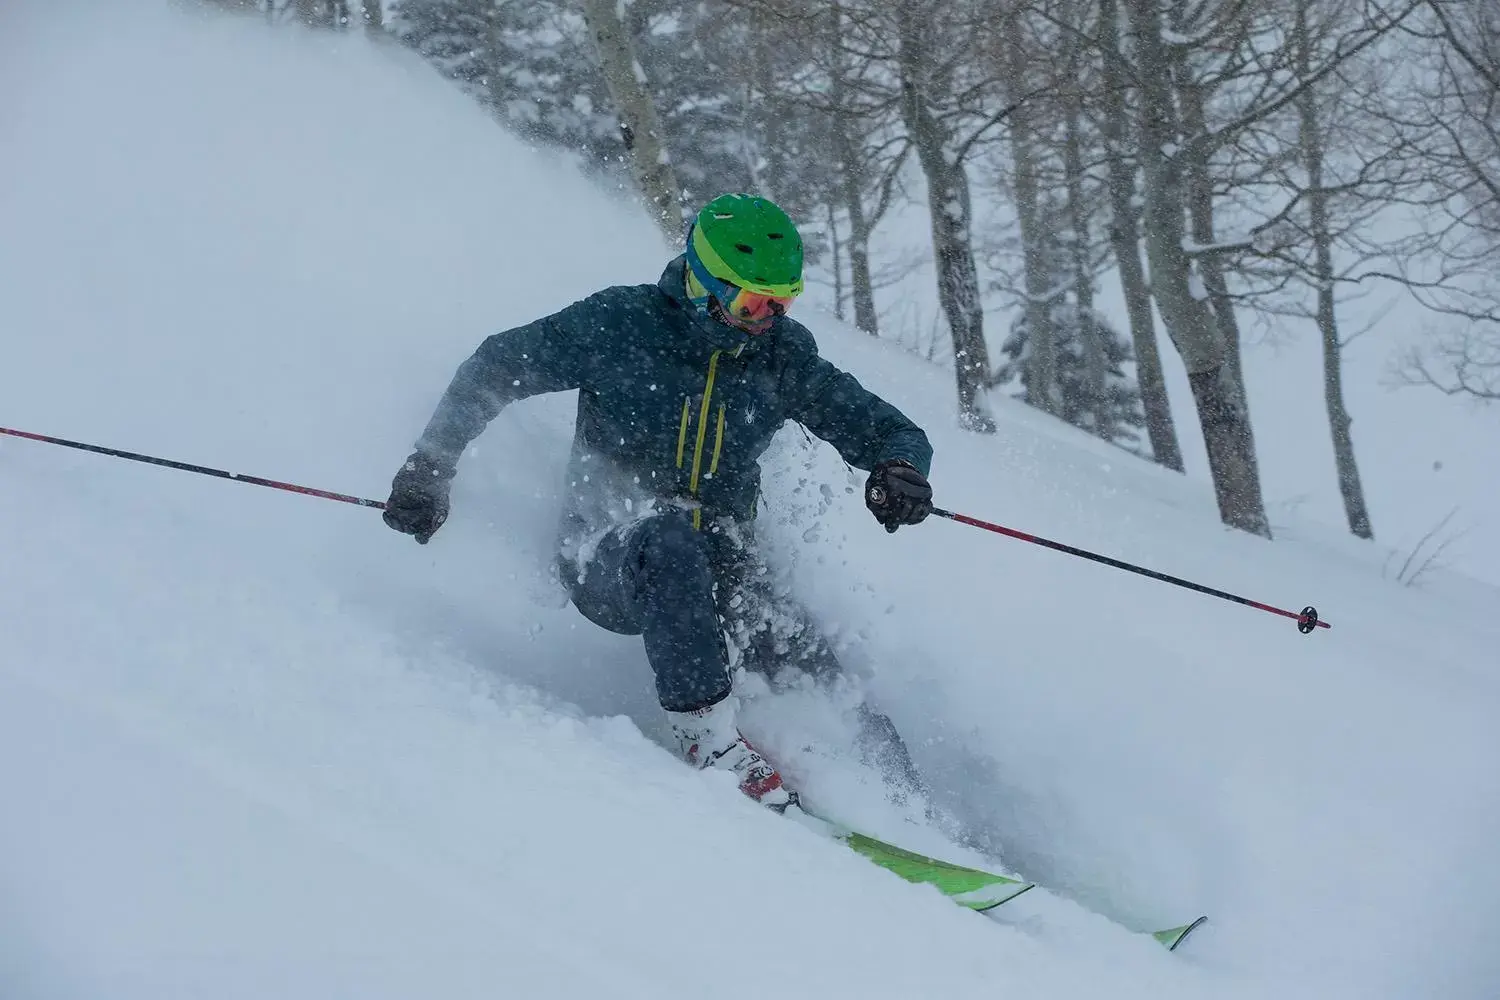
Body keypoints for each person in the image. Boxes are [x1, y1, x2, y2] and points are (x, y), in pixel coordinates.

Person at [383, 194, 935, 812]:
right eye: (752, 302)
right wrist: (430, 467)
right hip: (608, 549)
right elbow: (495, 367)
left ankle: (907, 808)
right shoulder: (620, 325)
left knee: (817, 668)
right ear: (704, 283)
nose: (765, 320)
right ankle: (711, 740)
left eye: (781, 302)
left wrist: (900, 467)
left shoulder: (781, 354)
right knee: (667, 542)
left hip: (721, 557)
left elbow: (879, 425)